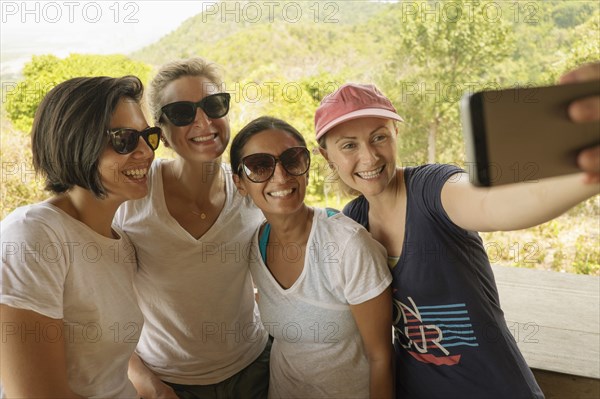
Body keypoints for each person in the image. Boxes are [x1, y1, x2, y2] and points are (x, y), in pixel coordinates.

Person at [314, 63, 599, 399]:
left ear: (395, 134)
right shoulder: (355, 221)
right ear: (327, 156)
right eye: (348, 146)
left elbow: (493, 203)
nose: (369, 156)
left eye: (379, 136)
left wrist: (586, 175)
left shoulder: (431, 189)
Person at [115, 58, 270, 398]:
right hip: (168, 382)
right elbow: (100, 310)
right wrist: (149, 385)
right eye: (182, 113)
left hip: (254, 370)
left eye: (213, 105)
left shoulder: (253, 192)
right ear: (162, 135)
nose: (203, 121)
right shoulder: (133, 200)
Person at [0, 76, 161, 397]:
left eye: (149, 136)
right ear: (77, 142)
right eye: (125, 139)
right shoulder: (34, 235)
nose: (145, 151)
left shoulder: (120, 243)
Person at [230, 116, 393, 399]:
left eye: (292, 159)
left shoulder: (347, 245)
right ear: (240, 183)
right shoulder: (254, 246)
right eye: (259, 166)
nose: (280, 176)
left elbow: (381, 357)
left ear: (306, 169)